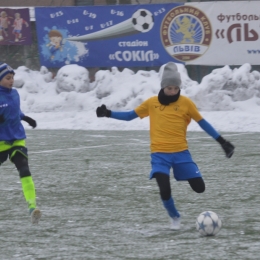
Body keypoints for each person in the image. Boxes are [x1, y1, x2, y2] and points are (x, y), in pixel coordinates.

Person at [96, 62, 235, 230]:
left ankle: (188, 176)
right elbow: (129, 116)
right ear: (163, 87)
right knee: (164, 189)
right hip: (159, 154)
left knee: (199, 188)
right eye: (170, 88)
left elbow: (202, 123)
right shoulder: (152, 103)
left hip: (181, 153)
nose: (173, 92)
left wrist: (223, 142)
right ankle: (175, 217)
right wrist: (108, 113)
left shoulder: (186, 103)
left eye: (176, 88)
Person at [0, 63, 41, 224]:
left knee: (24, 169)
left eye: (12, 78)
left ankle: (32, 207)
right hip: (1, 142)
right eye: (8, 78)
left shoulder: (15, 94)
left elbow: (16, 112)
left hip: (17, 139)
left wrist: (26, 118)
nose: (11, 81)